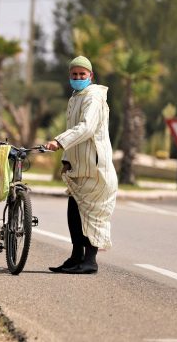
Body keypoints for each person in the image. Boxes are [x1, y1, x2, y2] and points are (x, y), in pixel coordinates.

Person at [44, 56, 118, 274]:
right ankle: (76, 257)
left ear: (90, 76)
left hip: (95, 168)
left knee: (93, 215)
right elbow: (76, 134)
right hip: (79, 167)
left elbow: (86, 128)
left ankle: (90, 261)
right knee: (74, 213)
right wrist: (67, 159)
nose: (78, 78)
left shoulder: (93, 97)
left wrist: (58, 141)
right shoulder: (76, 97)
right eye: (74, 75)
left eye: (82, 75)